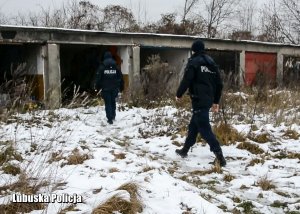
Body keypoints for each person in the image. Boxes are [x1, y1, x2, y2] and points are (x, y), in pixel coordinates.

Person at [175, 39, 226, 167]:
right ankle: (185, 150)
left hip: (198, 99)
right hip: (208, 99)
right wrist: (215, 101)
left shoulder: (194, 62)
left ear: (193, 50)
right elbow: (219, 84)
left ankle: (219, 156)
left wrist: (179, 93)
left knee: (204, 129)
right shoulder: (211, 63)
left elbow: (187, 79)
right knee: (194, 126)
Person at [94, 51, 124, 124]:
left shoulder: (102, 66)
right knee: (113, 101)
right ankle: (113, 116)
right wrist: (121, 87)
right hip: (114, 88)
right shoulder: (116, 66)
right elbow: (120, 77)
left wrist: (96, 87)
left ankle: (110, 119)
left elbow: (98, 78)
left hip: (105, 89)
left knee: (108, 103)